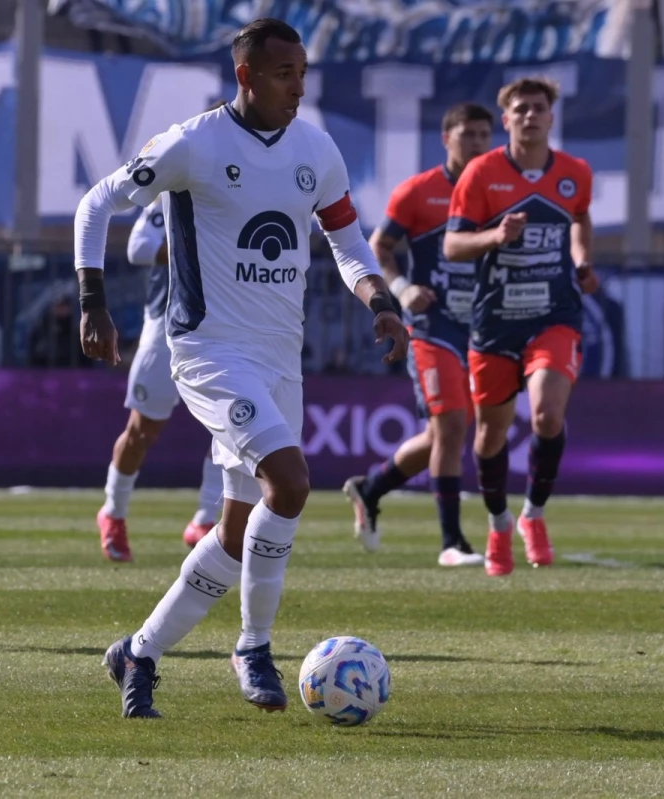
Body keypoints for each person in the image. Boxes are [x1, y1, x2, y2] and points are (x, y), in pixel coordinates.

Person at [73, 18, 408, 718]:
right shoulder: (193, 144)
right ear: (246, 75)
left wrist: (377, 297)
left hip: (280, 358)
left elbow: (347, 241)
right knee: (290, 483)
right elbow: (95, 201)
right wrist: (93, 301)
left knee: (234, 534)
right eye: (284, 74)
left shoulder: (315, 149)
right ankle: (253, 646)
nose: (298, 87)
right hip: (208, 351)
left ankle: (138, 651)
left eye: (304, 73)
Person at [443, 77, 599, 577]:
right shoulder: (482, 173)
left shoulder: (574, 172)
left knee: (547, 417)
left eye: (539, 108)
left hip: (554, 314)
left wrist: (581, 260)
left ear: (551, 117)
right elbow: (452, 247)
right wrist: (495, 236)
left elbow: (579, 217)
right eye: (520, 109)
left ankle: (534, 514)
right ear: (506, 119)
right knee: (490, 434)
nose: (530, 115)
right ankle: (499, 522)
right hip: (495, 320)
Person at [343, 102, 494, 567]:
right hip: (432, 327)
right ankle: (452, 543)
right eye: (468, 133)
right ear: (446, 138)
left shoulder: (500, 189)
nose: (478, 143)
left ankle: (370, 488)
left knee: (444, 434)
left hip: (483, 326)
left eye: (485, 135)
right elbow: (379, 246)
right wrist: (403, 289)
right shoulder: (420, 191)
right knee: (450, 426)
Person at [96, 102, 228, 563]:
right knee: (143, 429)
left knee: (233, 425)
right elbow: (138, 248)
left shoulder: (258, 176)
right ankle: (113, 511)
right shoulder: (175, 182)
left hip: (229, 321)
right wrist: (197, 244)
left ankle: (206, 520)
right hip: (169, 318)